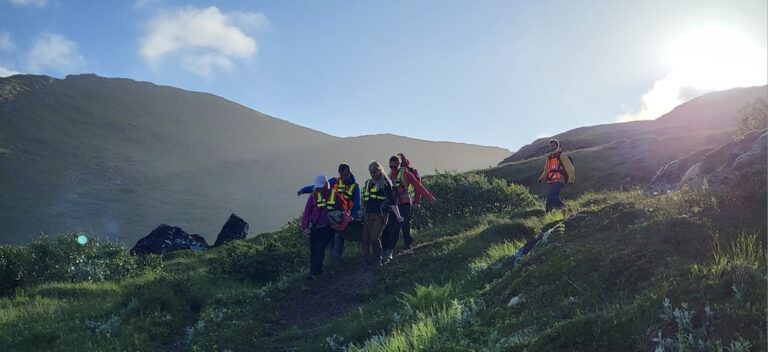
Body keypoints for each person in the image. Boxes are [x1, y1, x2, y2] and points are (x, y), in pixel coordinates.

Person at [298, 163, 361, 264]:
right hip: (330, 217)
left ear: (349, 173)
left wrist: (353, 216)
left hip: (343, 216)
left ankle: (335, 260)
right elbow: (318, 187)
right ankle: (332, 260)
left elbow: (356, 204)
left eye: (345, 175)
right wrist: (303, 190)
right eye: (342, 175)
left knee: (338, 236)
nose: (343, 177)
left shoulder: (355, 187)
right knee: (332, 238)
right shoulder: (334, 181)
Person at [381, 155, 436, 262]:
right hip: (394, 206)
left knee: (397, 227)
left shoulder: (406, 174)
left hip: (405, 205)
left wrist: (429, 196)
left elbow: (418, 186)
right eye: (391, 167)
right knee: (388, 228)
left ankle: (390, 251)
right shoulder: (389, 176)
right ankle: (385, 250)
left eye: (395, 167)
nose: (393, 169)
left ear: (399, 165)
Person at [300, 175, 346, 280]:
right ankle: (314, 272)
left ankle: (316, 272)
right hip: (315, 226)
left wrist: (338, 222)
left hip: (328, 227)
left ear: (326, 185)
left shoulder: (335, 195)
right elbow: (307, 212)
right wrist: (305, 226)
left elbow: (341, 211)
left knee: (320, 248)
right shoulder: (313, 196)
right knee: (313, 249)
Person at [361, 161, 404, 265]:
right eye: (371, 172)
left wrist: (398, 216)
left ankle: (378, 258)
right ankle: (366, 259)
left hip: (380, 215)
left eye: (374, 172)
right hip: (368, 214)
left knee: (374, 237)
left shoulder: (385, 183)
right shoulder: (369, 183)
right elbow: (365, 200)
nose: (373, 174)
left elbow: (392, 201)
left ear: (379, 171)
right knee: (365, 238)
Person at [537, 139, 575, 212]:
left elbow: (569, 167)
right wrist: (541, 178)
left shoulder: (562, 155)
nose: (551, 147)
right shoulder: (549, 157)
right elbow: (546, 170)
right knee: (554, 196)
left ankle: (548, 212)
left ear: (557, 146)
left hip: (560, 179)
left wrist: (571, 179)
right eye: (550, 146)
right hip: (551, 180)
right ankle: (564, 208)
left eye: (553, 145)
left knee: (550, 195)